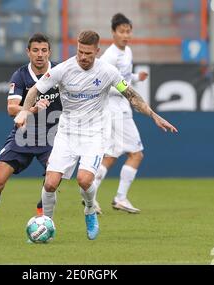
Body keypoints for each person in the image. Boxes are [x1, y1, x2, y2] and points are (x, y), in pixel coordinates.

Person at [14, 30, 177, 241]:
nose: (83, 57)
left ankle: (90, 211)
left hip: (94, 133)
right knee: (50, 184)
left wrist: (154, 115)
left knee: (84, 180)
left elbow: (132, 96)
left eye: (88, 53)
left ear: (97, 51)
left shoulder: (108, 72)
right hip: (67, 133)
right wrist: (26, 111)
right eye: (80, 52)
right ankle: (47, 227)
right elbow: (35, 90)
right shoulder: (63, 69)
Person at [0, 33, 62, 239]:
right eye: (36, 50)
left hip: (51, 138)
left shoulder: (59, 72)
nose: (40, 55)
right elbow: (12, 109)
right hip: (23, 136)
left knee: (53, 178)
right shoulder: (20, 76)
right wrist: (32, 109)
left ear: (49, 52)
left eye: (44, 50)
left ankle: (42, 212)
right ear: (28, 52)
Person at [91, 13, 148, 214]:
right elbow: (103, 84)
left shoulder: (127, 51)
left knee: (111, 155)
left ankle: (90, 195)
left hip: (119, 108)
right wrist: (127, 90)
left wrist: (136, 78)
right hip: (116, 109)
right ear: (113, 33)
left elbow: (122, 77)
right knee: (136, 154)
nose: (126, 35)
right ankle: (120, 198)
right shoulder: (109, 56)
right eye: (122, 31)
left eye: (128, 31)